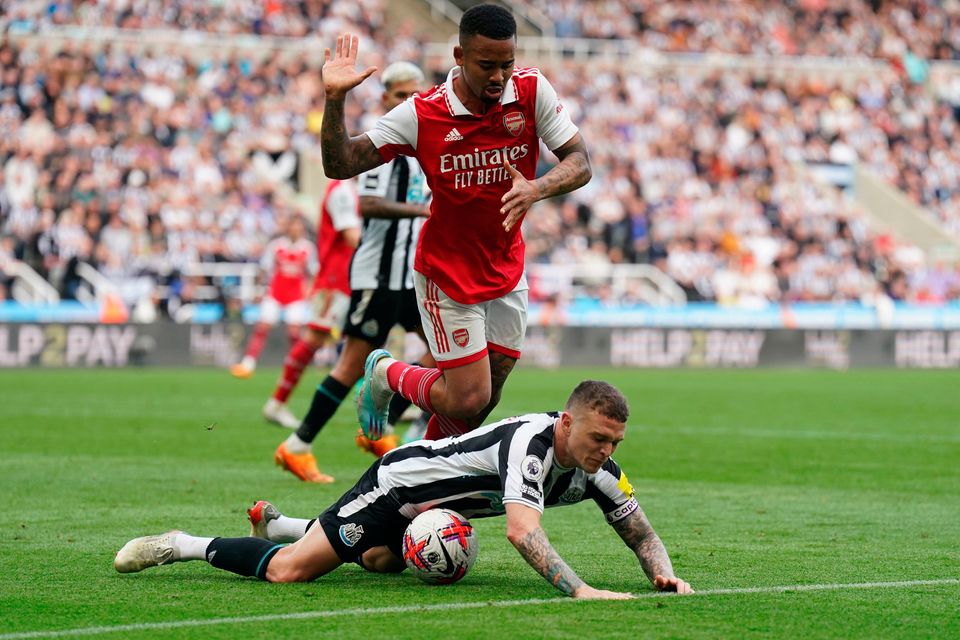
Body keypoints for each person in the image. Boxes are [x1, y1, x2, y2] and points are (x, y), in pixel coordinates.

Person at [114, 380, 694, 599]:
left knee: (381, 561)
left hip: (427, 511)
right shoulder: (532, 445)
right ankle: (183, 543)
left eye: (615, 441)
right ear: (567, 423)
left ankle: (287, 524)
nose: (607, 451)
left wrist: (662, 573)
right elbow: (522, 531)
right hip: (399, 487)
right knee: (291, 572)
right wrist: (580, 591)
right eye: (598, 438)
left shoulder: (600, 469)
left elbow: (640, 531)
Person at [319, 4, 592, 441]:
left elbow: (580, 162)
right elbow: (341, 163)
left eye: (507, 64)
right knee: (467, 396)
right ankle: (387, 373)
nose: (498, 77)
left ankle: (421, 482)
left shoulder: (530, 90)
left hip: (505, 266)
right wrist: (335, 100)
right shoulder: (422, 113)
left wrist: (537, 188)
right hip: (446, 272)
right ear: (458, 56)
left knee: (486, 397)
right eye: (487, 65)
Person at [271, 61, 437, 482]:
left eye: (415, 94)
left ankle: (379, 426)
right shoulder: (381, 143)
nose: (410, 102)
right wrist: (422, 210)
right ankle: (298, 445)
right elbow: (366, 204)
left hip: (408, 278)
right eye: (401, 95)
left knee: (447, 350)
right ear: (385, 99)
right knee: (349, 367)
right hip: (376, 278)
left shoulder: (419, 144)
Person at [258, 177, 361, 424]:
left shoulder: (352, 189)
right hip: (336, 278)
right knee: (316, 337)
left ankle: (385, 405)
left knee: (361, 340)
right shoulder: (342, 190)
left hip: (349, 275)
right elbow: (351, 237)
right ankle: (277, 401)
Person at [230, 215, 317, 378]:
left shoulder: (308, 248)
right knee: (262, 327)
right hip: (275, 293)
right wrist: (259, 290)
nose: (296, 230)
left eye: (299, 228)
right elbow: (264, 269)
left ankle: (295, 365)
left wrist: (310, 291)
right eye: (293, 227)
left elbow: (313, 272)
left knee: (294, 333)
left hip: (296, 296)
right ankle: (248, 364)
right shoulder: (276, 246)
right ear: (288, 228)